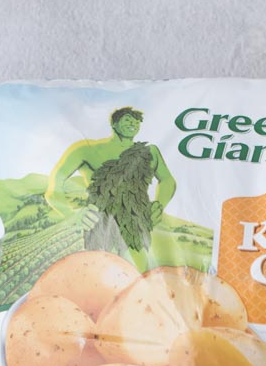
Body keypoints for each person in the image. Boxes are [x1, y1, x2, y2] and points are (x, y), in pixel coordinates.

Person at [44, 107, 176, 271]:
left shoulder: (150, 152)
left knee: (139, 275)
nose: (133, 124)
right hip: (100, 223)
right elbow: (56, 182)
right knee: (98, 274)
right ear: (114, 123)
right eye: (128, 120)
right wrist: (72, 214)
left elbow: (167, 180)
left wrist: (160, 204)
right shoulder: (87, 149)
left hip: (135, 223)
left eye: (136, 122)